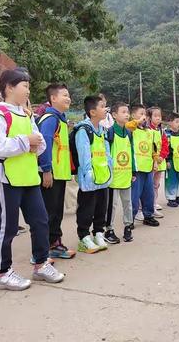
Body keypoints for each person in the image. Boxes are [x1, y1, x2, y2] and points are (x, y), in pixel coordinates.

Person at [0, 69, 64, 290]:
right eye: (25, 86)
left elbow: (40, 144)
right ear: (9, 87)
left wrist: (31, 143)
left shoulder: (26, 115)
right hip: (7, 178)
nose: (28, 90)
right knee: (7, 227)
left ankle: (41, 263)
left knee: (40, 221)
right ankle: (3, 273)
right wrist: (25, 141)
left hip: (28, 177)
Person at [37, 84, 76, 259]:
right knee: (49, 212)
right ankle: (42, 250)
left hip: (59, 174)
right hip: (50, 175)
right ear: (53, 98)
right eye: (64, 95)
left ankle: (55, 243)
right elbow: (44, 144)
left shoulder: (60, 119)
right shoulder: (50, 118)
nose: (68, 98)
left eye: (69, 95)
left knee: (56, 212)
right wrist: (46, 170)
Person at [75, 96, 113, 253]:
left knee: (101, 207)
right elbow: (84, 155)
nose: (106, 109)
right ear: (92, 112)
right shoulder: (83, 130)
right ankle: (84, 237)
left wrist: (110, 170)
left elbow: (107, 153)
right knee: (87, 208)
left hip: (103, 176)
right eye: (102, 106)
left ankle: (98, 232)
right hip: (90, 179)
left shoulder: (102, 130)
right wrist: (88, 175)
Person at [104, 102, 135, 244]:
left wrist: (133, 170)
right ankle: (108, 229)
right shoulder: (109, 132)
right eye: (123, 112)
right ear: (114, 115)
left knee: (128, 203)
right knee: (112, 205)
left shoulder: (129, 133)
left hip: (126, 175)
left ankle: (128, 226)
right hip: (113, 177)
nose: (127, 114)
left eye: (127, 112)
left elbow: (132, 152)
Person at [126, 105, 160, 227]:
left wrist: (155, 160)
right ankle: (130, 219)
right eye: (140, 114)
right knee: (134, 197)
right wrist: (137, 122)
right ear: (133, 116)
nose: (143, 117)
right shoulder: (131, 129)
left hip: (148, 168)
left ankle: (148, 215)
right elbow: (128, 126)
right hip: (137, 169)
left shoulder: (149, 132)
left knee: (149, 194)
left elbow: (153, 149)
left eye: (144, 114)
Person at [147, 106, 168, 217]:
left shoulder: (161, 131)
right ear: (149, 117)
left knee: (156, 185)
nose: (158, 118)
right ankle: (146, 207)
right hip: (150, 163)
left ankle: (154, 205)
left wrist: (162, 156)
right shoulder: (147, 130)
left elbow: (165, 145)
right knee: (148, 186)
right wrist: (154, 158)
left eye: (159, 116)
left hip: (160, 162)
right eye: (155, 116)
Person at [164, 113, 179, 207]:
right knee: (171, 179)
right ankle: (171, 198)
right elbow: (165, 148)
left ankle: (177, 196)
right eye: (176, 122)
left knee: (178, 179)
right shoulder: (166, 134)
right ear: (170, 122)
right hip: (171, 161)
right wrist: (166, 161)